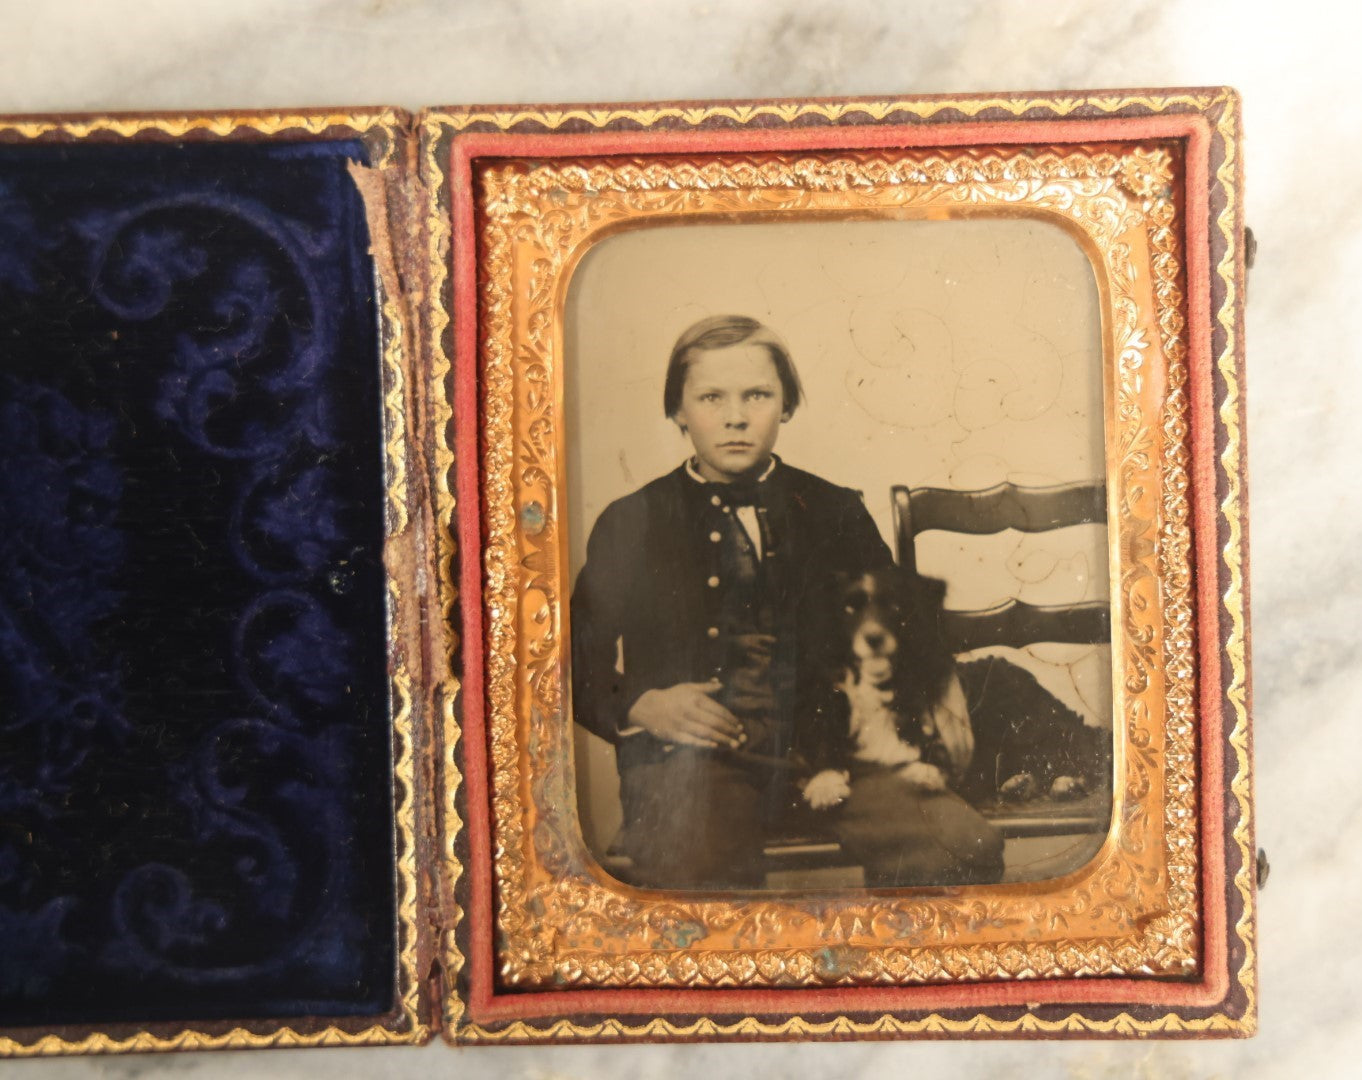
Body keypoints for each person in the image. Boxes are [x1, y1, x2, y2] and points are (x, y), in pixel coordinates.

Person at [570, 314, 893, 889]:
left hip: (831, 755)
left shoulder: (835, 511)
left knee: (947, 841)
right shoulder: (632, 521)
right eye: (711, 397)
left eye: (758, 395)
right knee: (702, 877)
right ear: (678, 410)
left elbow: (897, 635)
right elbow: (563, 657)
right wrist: (638, 704)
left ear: (787, 405)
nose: (736, 417)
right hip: (688, 765)